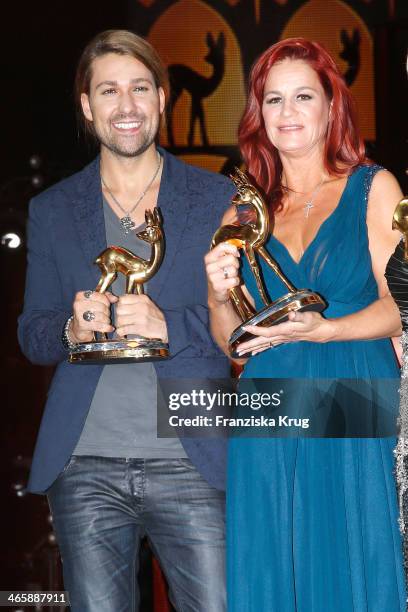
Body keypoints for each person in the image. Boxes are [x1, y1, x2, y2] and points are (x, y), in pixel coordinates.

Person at [18, 30, 235, 612]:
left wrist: (173, 325)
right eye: (109, 91)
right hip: (84, 465)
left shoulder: (218, 198)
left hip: (193, 459)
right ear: (88, 107)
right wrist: (71, 328)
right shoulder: (52, 209)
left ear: (163, 98)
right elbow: (33, 333)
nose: (127, 105)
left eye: (140, 88)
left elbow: (241, 323)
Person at [205, 38, 406, 610]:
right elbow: (233, 342)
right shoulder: (241, 214)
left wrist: (327, 330)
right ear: (257, 114)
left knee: (348, 553)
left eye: (302, 96)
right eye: (273, 100)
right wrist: (220, 294)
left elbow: (402, 306)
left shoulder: (374, 188)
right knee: (274, 561)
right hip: (267, 404)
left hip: (353, 390)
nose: (287, 112)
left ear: (330, 107)